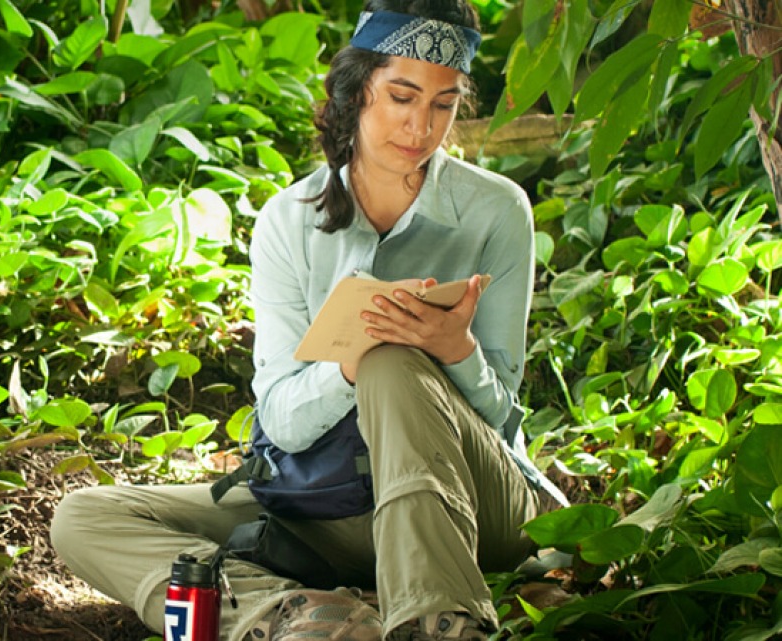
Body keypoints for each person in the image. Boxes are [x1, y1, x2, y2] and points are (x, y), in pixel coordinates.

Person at [50, 0, 568, 639]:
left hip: (474, 513)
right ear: (356, 93)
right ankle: (298, 618)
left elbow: (505, 417)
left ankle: (439, 619)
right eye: (401, 96)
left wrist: (454, 350)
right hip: (325, 508)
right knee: (85, 517)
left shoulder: (497, 213)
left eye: (444, 104)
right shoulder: (288, 221)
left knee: (394, 357)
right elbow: (284, 422)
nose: (420, 125)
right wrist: (344, 368)